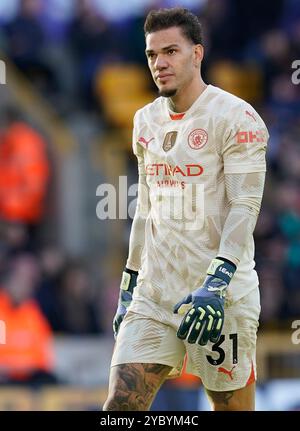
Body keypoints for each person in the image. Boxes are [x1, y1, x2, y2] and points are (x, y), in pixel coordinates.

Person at [103, 7, 269, 411]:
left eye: (171, 51)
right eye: (151, 54)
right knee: (121, 405)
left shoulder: (237, 117)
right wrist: (130, 282)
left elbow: (245, 205)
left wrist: (218, 280)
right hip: (155, 295)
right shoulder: (144, 121)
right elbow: (145, 207)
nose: (159, 63)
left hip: (220, 297)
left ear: (197, 54)